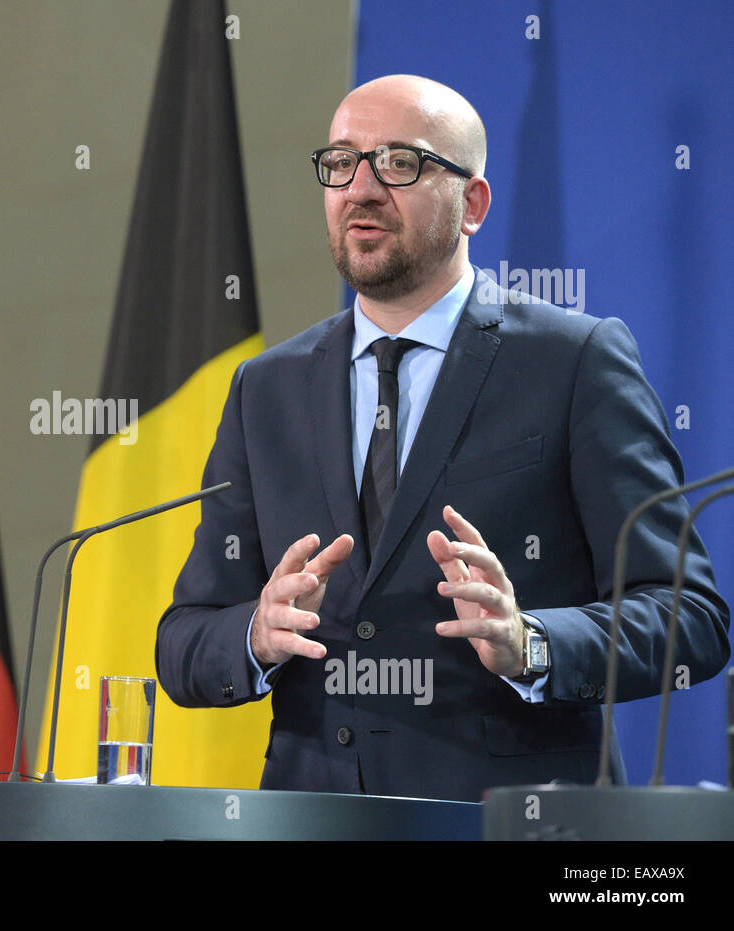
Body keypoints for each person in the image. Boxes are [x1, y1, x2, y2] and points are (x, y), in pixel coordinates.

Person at [154, 74, 730, 801]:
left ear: (473, 204)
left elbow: (690, 617)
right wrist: (256, 634)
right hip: (312, 816)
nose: (360, 188)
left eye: (399, 162)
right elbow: (182, 641)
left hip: (506, 817)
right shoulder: (266, 388)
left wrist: (531, 642)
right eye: (340, 163)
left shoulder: (573, 361)